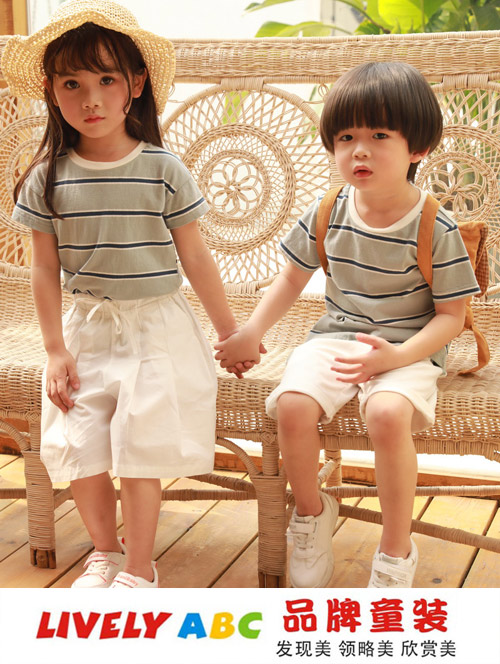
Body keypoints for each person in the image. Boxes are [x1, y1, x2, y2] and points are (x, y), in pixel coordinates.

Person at [2, 0, 242, 589]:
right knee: (79, 446)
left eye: (107, 80)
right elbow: (43, 270)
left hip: (156, 330)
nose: (91, 99)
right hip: (85, 332)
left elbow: (196, 257)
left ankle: (139, 568)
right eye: (73, 84)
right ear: (50, 90)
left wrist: (230, 332)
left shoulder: (163, 168)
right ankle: (105, 553)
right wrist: (55, 350)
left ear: (136, 84)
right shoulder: (47, 177)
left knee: (139, 449)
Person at [215, 62, 480, 588]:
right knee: (292, 406)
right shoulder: (328, 211)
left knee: (386, 414)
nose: (359, 151)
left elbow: (452, 318)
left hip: (408, 346)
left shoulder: (436, 225)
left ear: (418, 148)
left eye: (379, 136)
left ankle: (396, 550)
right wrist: (251, 332)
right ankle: (311, 514)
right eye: (346, 137)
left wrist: (394, 358)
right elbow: (291, 279)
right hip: (336, 337)